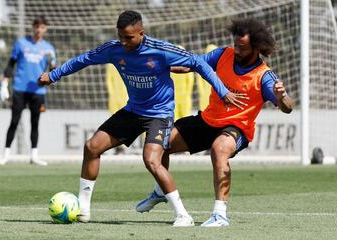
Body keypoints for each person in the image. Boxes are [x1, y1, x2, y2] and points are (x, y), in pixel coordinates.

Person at [38, 10, 246, 226]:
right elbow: (84, 59)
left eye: (128, 37)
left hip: (160, 114)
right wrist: (54, 75)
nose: (124, 42)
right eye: (120, 36)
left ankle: (183, 215)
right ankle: (83, 209)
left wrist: (222, 91)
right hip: (134, 110)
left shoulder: (161, 50)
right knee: (92, 147)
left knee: (151, 160)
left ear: (141, 33)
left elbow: (198, 63)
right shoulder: (114, 49)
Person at [136, 18, 293, 227]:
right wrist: (160, 64)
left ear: (257, 47)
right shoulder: (223, 55)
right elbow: (191, 65)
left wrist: (281, 97)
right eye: (236, 44)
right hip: (208, 120)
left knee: (219, 149)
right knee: (160, 143)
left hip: (237, 128)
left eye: (242, 47)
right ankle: (160, 190)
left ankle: (220, 214)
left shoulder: (263, 76)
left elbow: (288, 107)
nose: (236, 50)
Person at [0, 16, 57, 166]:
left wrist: (53, 64)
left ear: (45, 29)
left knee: (35, 123)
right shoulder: (21, 44)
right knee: (14, 121)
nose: (39, 30)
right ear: (33, 28)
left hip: (38, 91)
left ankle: (34, 155)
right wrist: (4, 84)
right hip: (20, 89)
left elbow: (53, 72)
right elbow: (11, 64)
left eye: (42, 27)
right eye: (37, 27)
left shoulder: (49, 48)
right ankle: (5, 154)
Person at [170, 45, 195, 120]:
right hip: (184, 95)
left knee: (174, 117)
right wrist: (188, 92)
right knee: (185, 118)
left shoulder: (170, 65)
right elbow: (190, 80)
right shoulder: (187, 64)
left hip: (173, 96)